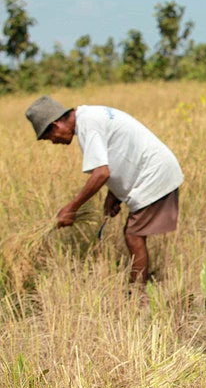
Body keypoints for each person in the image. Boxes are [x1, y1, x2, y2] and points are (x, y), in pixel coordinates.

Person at [25, 96, 184, 287]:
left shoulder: (87, 125)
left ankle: (138, 295)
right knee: (134, 233)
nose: (53, 142)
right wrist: (113, 195)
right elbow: (119, 153)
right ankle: (139, 287)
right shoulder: (89, 116)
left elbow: (101, 173)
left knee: (133, 235)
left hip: (154, 174)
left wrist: (71, 208)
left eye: (48, 137)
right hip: (156, 170)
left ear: (56, 125)